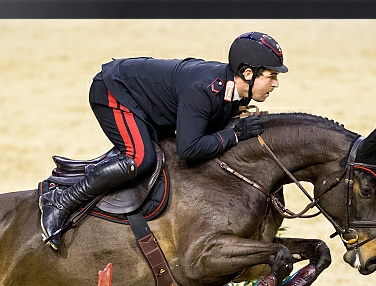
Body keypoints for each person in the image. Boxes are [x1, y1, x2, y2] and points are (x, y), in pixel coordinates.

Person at [39, 31, 288, 250]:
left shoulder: (235, 90)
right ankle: (60, 201)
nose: (275, 83)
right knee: (139, 158)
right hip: (114, 89)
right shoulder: (204, 90)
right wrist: (236, 134)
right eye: (271, 76)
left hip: (147, 101)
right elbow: (189, 149)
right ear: (247, 73)